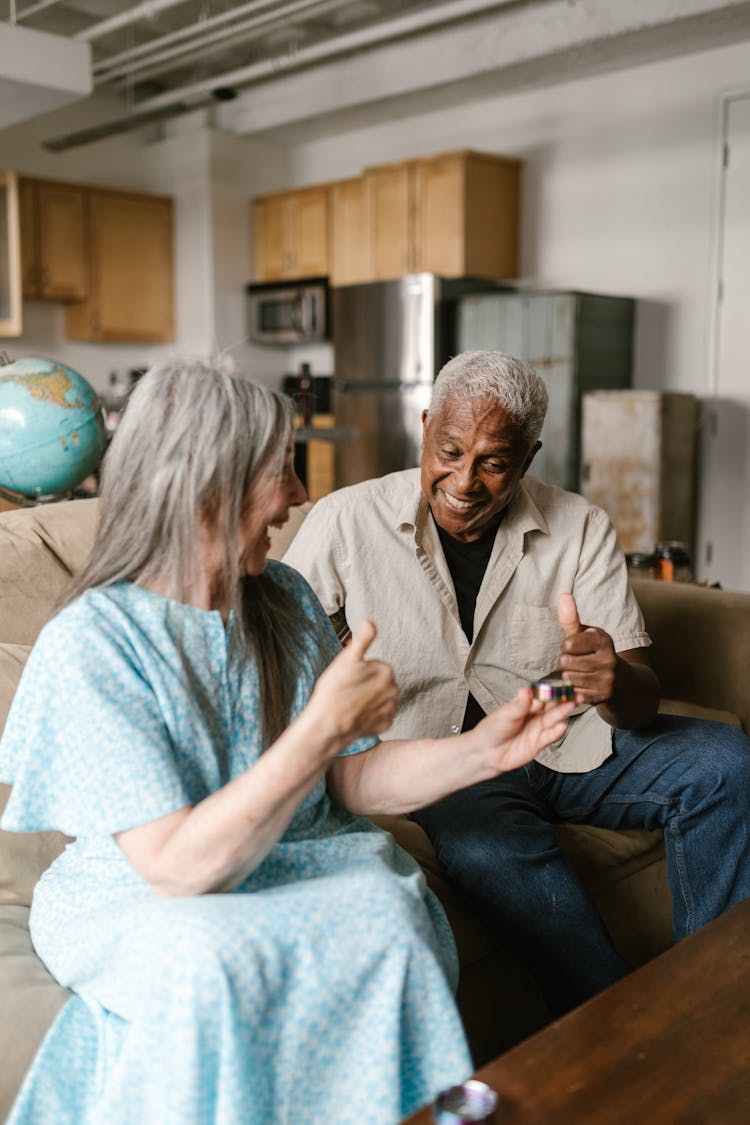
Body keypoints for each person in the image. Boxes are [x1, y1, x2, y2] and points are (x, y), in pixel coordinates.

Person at [0, 358, 575, 1125]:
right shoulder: (97, 641)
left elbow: (350, 781)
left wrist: (489, 750)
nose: (300, 495)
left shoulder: (283, 597)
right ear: (207, 484)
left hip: (291, 852)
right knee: (216, 962)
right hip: (149, 890)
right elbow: (175, 868)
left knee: (387, 915)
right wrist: (320, 729)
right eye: (281, 471)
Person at [284, 349, 750, 1017]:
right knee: (486, 847)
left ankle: (714, 1003)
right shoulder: (346, 519)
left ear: (527, 459)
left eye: (494, 462)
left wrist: (613, 678)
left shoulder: (580, 527)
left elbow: (642, 693)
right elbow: (272, 645)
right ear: (425, 427)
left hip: (565, 736)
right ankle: (619, 1022)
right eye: (449, 449)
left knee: (726, 764)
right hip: (445, 762)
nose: (465, 480)